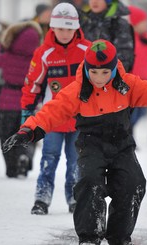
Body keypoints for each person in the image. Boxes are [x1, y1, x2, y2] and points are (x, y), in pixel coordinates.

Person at [2, 39, 147, 245]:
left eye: (105, 72)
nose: (99, 78)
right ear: (86, 68)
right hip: (91, 144)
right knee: (89, 183)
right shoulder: (77, 90)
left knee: (133, 184)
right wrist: (28, 131)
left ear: (113, 69)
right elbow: (52, 111)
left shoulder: (126, 85)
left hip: (121, 144)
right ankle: (89, 237)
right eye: (93, 72)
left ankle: (118, 237)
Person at [20, 3, 91, 214]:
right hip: (53, 119)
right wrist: (27, 110)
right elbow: (33, 84)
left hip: (80, 118)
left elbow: (99, 80)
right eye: (60, 29)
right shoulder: (44, 53)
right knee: (49, 158)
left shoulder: (87, 51)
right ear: (52, 28)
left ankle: (74, 197)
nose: (65, 33)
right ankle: (42, 197)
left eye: (69, 29)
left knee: (76, 160)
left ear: (76, 28)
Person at [0, 21, 43, 178]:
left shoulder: (8, 56)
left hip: (7, 101)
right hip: (28, 103)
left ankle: (11, 167)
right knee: (28, 134)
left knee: (7, 135)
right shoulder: (37, 60)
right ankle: (24, 156)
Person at [126, 5, 147, 138]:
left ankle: (130, 132)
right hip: (132, 84)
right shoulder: (128, 38)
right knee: (132, 112)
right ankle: (129, 135)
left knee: (143, 112)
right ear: (135, 23)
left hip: (145, 83)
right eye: (143, 23)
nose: (146, 26)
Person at [80, 0, 134, 72]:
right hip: (87, 76)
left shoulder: (118, 24)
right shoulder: (85, 24)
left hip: (112, 77)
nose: (94, 2)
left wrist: (107, 76)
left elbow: (125, 56)